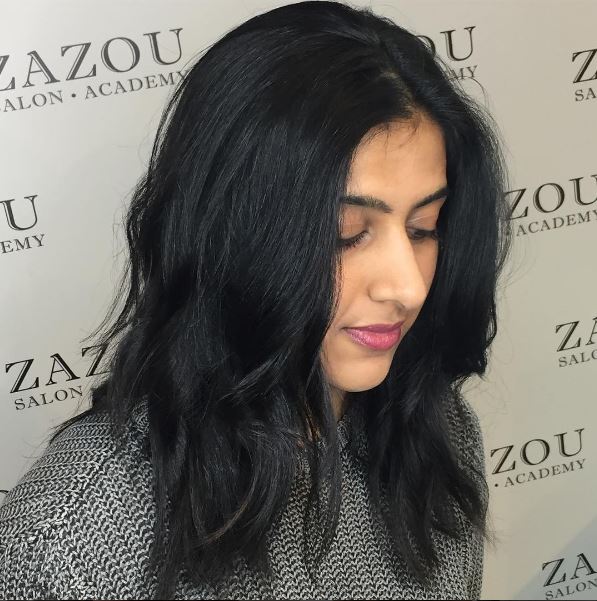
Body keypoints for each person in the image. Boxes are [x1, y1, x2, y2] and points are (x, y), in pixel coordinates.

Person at [0, 1, 512, 598]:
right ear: (231, 233)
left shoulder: (437, 437)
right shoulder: (79, 533)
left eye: (424, 228)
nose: (407, 287)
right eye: (346, 233)